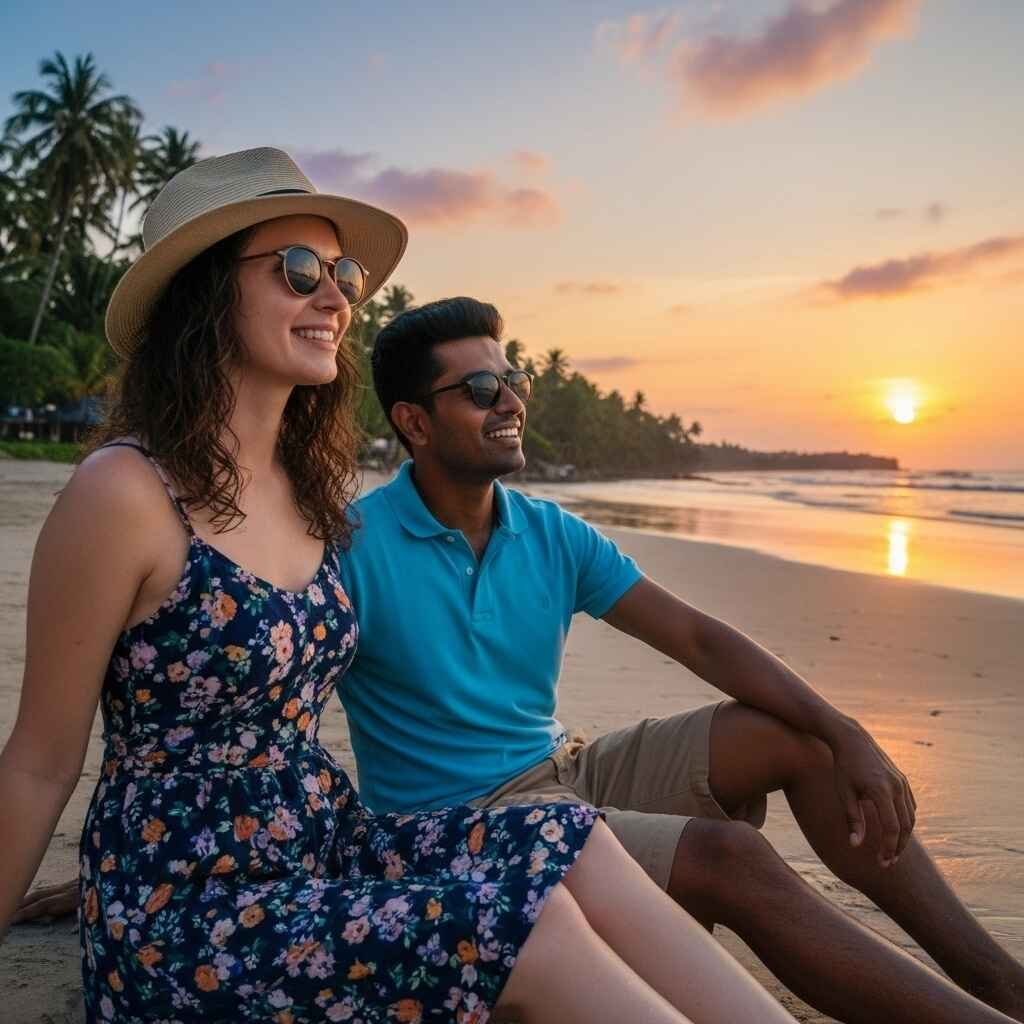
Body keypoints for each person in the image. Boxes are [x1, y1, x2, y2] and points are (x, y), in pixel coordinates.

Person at [0, 147, 801, 1024]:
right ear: (203, 292)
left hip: (324, 848)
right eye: (298, 270)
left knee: (570, 843)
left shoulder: (306, 495)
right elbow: (41, 764)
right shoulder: (125, 492)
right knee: (520, 931)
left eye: (342, 273)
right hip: (189, 915)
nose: (336, 296)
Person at [329, 297, 1018, 1024]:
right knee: (731, 859)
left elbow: (695, 637)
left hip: (563, 769)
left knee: (802, 739)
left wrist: (847, 730)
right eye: (478, 390)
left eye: (514, 380)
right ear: (413, 422)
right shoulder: (351, 547)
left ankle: (1000, 982)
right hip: (457, 829)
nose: (508, 402)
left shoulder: (548, 532)